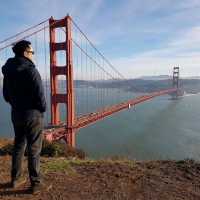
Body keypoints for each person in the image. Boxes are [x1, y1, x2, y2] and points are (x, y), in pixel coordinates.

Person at [1, 40, 46, 194]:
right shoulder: (31, 70)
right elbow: (40, 96)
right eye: (32, 52)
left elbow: (6, 95)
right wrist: (41, 110)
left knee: (19, 145)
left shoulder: (8, 71)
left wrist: (16, 105)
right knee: (34, 149)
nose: (33, 55)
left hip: (16, 114)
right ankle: (36, 184)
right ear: (26, 52)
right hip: (33, 115)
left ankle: (15, 179)